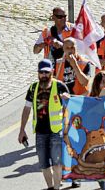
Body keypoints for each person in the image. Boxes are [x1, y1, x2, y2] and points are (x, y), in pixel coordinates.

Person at [20, 59, 70, 190]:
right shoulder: (32, 88)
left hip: (56, 132)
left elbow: (69, 108)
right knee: (43, 164)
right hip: (40, 132)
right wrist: (22, 130)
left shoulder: (60, 86)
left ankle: (57, 187)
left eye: (46, 72)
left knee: (57, 163)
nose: (44, 75)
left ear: (52, 72)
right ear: (38, 73)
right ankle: (50, 187)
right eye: (41, 72)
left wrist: (67, 99)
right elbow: (26, 109)